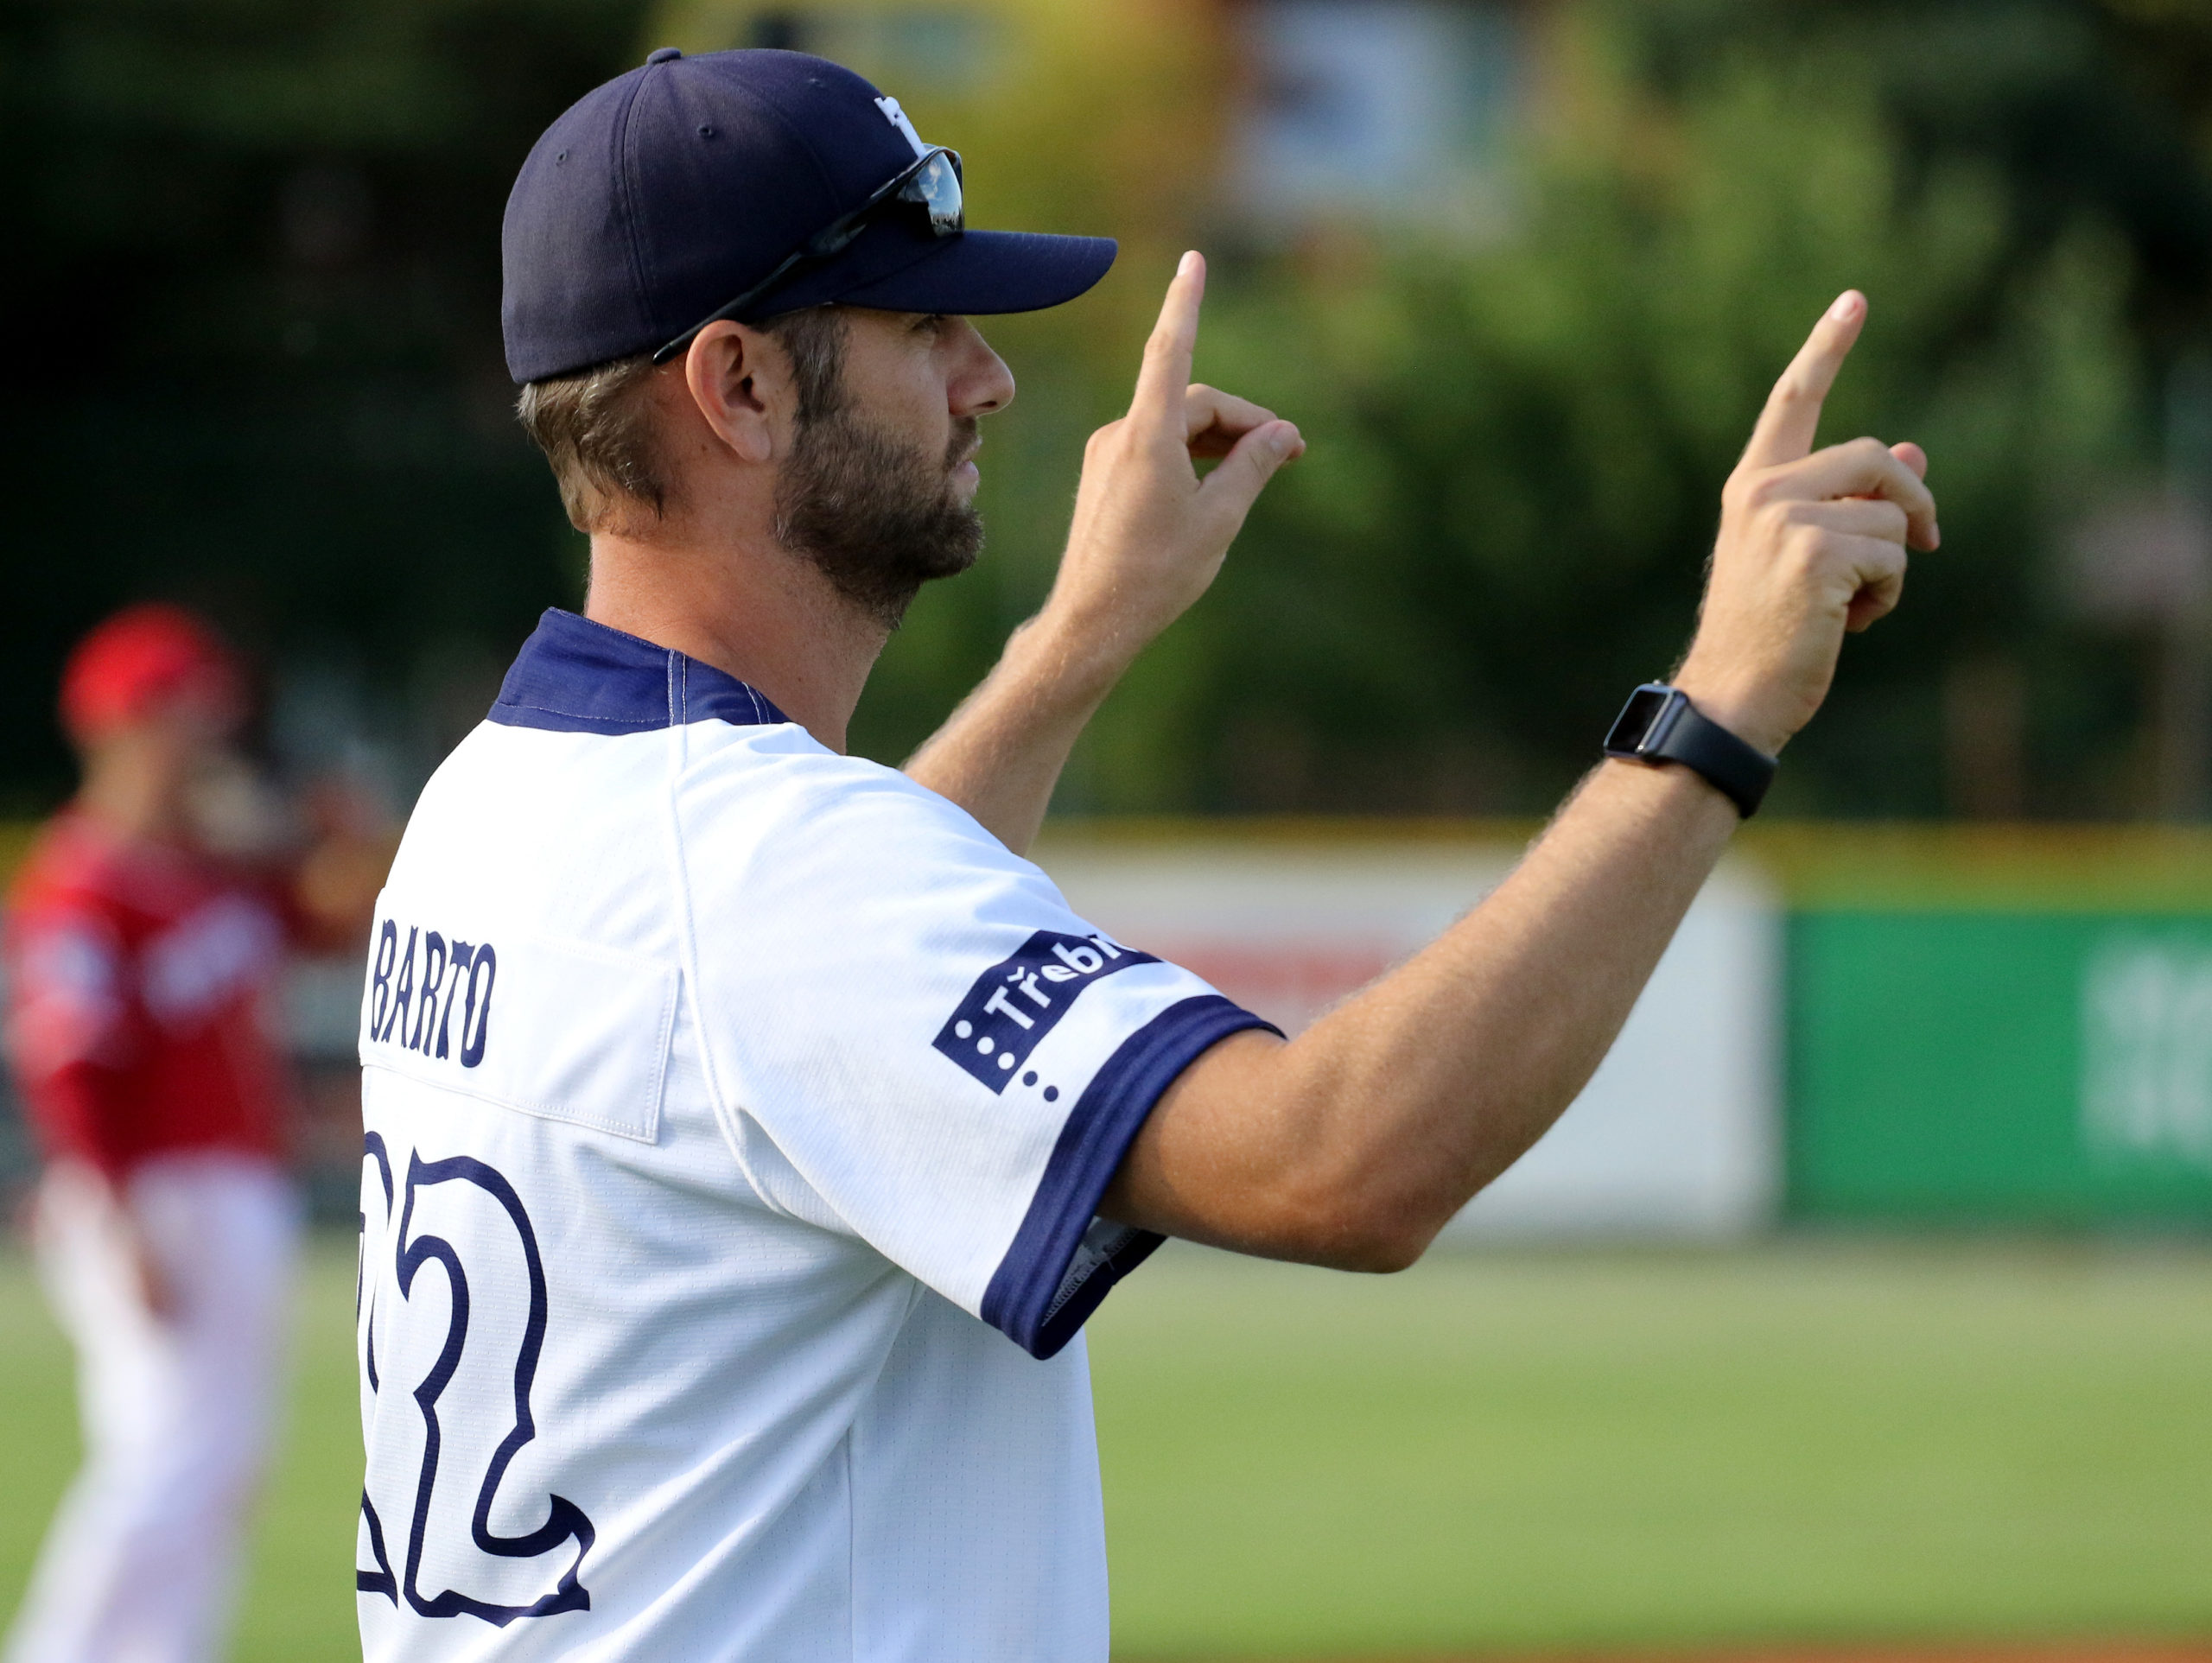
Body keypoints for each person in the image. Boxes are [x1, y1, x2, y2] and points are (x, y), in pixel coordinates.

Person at [354, 47, 1938, 1662]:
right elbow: (1345, 1162)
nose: (991, 379)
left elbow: (808, 1025)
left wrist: (1076, 644)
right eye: (924, 326)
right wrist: (1722, 702)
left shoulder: (496, 805)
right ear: (739, 387)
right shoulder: (773, 879)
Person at [4, 605, 378, 1663]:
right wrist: (116, 1218)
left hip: (233, 1186)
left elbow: (340, 916)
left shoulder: (219, 869)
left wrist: (330, 831)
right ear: (120, 729)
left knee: (222, 1455)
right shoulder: (82, 881)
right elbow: (68, 1064)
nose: (208, 739)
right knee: (170, 1451)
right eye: (183, 718)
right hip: (149, 1192)